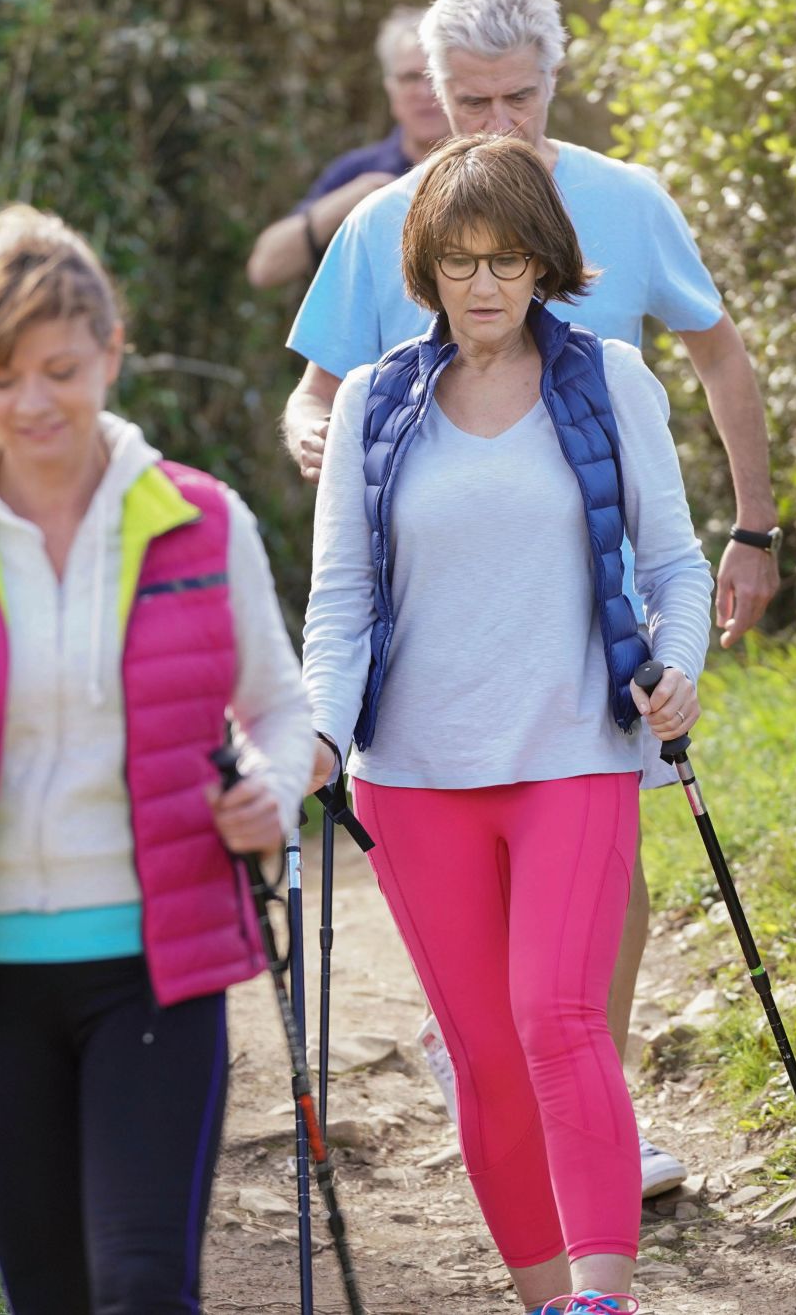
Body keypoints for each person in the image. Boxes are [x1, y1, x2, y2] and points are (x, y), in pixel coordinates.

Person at [282, 0, 783, 1201]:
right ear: (430, 94)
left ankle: (586, 1100)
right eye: (469, 103)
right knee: (482, 892)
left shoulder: (625, 201)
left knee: (605, 873)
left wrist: (754, 528)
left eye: (519, 99)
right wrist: (314, 432)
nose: (497, 127)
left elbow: (719, 360)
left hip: (600, 623)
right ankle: (514, 1089)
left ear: (556, 81)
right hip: (445, 617)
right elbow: (320, 390)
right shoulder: (388, 221)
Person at [0, 205, 313, 1315]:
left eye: (59, 370)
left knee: (141, 1289)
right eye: (0, 377)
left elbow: (282, 710)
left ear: (111, 352)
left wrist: (269, 799)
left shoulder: (199, 519)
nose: (31, 403)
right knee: (48, 1298)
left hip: (154, 961)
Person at [301, 133, 712, 1314]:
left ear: (545, 266)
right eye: (460, 262)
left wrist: (676, 665)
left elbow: (676, 566)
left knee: (556, 1017)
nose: (483, 286)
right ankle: (542, 1300)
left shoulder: (609, 380)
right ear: (425, 269)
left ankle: (599, 1297)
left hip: (572, 752)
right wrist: (324, 733)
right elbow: (341, 601)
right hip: (412, 774)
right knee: (480, 1053)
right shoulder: (378, 400)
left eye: (508, 260)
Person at [244, 7, 450, 289]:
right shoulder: (358, 172)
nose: (424, 93)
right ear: (390, 89)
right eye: (409, 78)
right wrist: (356, 201)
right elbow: (264, 269)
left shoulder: (489, 170)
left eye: (433, 76)